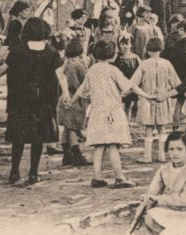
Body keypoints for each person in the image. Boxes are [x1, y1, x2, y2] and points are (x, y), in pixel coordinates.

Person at [0, 18, 64, 185]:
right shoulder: (51, 51)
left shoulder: (17, 50)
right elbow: (61, 75)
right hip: (43, 101)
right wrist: (66, 95)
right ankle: (33, 173)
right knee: (38, 139)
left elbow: (2, 70)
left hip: (20, 101)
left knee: (18, 138)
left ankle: (14, 172)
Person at [66, 39, 155, 188]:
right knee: (113, 145)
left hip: (97, 112)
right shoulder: (113, 70)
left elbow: (82, 89)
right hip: (112, 112)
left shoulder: (91, 70)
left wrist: (71, 101)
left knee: (99, 146)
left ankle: (97, 177)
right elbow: (130, 86)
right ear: (112, 54)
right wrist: (147, 96)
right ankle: (119, 177)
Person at [138, 131, 186, 235]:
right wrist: (147, 200)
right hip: (173, 208)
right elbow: (152, 192)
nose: (175, 153)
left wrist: (159, 199)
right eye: (171, 149)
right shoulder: (164, 169)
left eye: (179, 149)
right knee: (149, 218)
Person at [133, 37, 181, 164]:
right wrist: (167, 90)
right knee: (162, 128)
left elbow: (133, 83)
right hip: (162, 99)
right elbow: (177, 83)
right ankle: (161, 155)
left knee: (148, 129)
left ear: (148, 51)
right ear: (161, 49)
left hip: (147, 100)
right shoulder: (167, 63)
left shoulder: (143, 64)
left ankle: (147, 155)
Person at [55, 39, 92, 167]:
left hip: (64, 98)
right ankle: (76, 154)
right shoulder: (80, 66)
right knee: (73, 128)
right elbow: (85, 83)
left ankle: (66, 155)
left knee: (66, 127)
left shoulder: (65, 65)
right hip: (75, 99)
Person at [112, 33, 141, 119]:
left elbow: (141, 69)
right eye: (123, 44)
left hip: (131, 84)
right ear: (119, 45)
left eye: (127, 43)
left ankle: (127, 121)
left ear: (131, 45)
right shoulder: (117, 58)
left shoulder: (135, 57)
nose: (125, 46)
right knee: (118, 105)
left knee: (129, 104)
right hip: (120, 84)